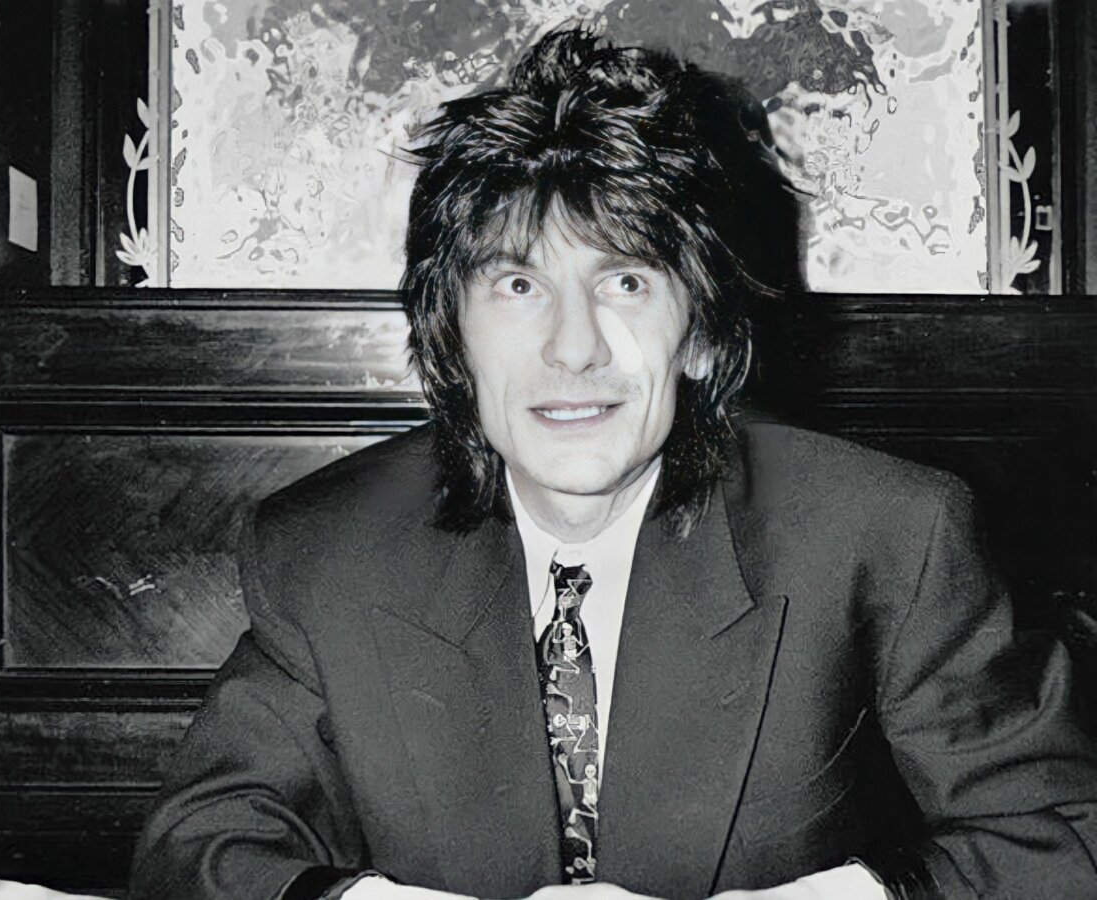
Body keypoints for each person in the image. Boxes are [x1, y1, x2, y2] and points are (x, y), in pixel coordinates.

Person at [129, 28, 1097, 900]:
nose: (573, 347)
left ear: (702, 332)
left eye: (626, 281)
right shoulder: (326, 548)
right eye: (517, 285)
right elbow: (199, 852)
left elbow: (1065, 840)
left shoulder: (887, 534)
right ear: (452, 339)